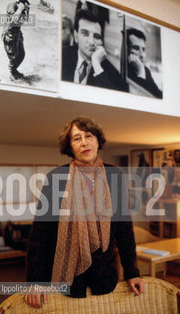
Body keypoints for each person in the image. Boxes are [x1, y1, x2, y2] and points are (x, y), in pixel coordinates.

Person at [25, 116, 144, 309]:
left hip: (104, 278)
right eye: (76, 138)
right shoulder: (56, 177)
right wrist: (34, 282)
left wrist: (132, 272)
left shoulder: (115, 175)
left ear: (98, 141)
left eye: (88, 135)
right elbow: (40, 234)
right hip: (65, 280)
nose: (84, 143)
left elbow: (124, 229)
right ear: (70, 146)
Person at [62, 9, 128, 92]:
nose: (91, 42)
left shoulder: (111, 73)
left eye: (96, 36)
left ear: (101, 41)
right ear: (76, 36)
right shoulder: (62, 55)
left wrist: (96, 65)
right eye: (85, 34)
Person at [126, 28, 162, 98]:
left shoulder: (146, 70)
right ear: (126, 50)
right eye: (136, 48)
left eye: (143, 49)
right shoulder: (125, 71)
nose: (142, 55)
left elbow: (157, 94)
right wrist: (140, 70)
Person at [2, 0, 30, 81]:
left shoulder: (22, 9)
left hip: (17, 33)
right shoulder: (12, 6)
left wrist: (27, 10)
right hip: (9, 34)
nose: (25, 9)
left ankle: (14, 70)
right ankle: (11, 72)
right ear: (20, 3)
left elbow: (27, 19)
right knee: (13, 57)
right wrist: (21, 8)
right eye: (25, 6)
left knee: (22, 54)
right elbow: (13, 20)